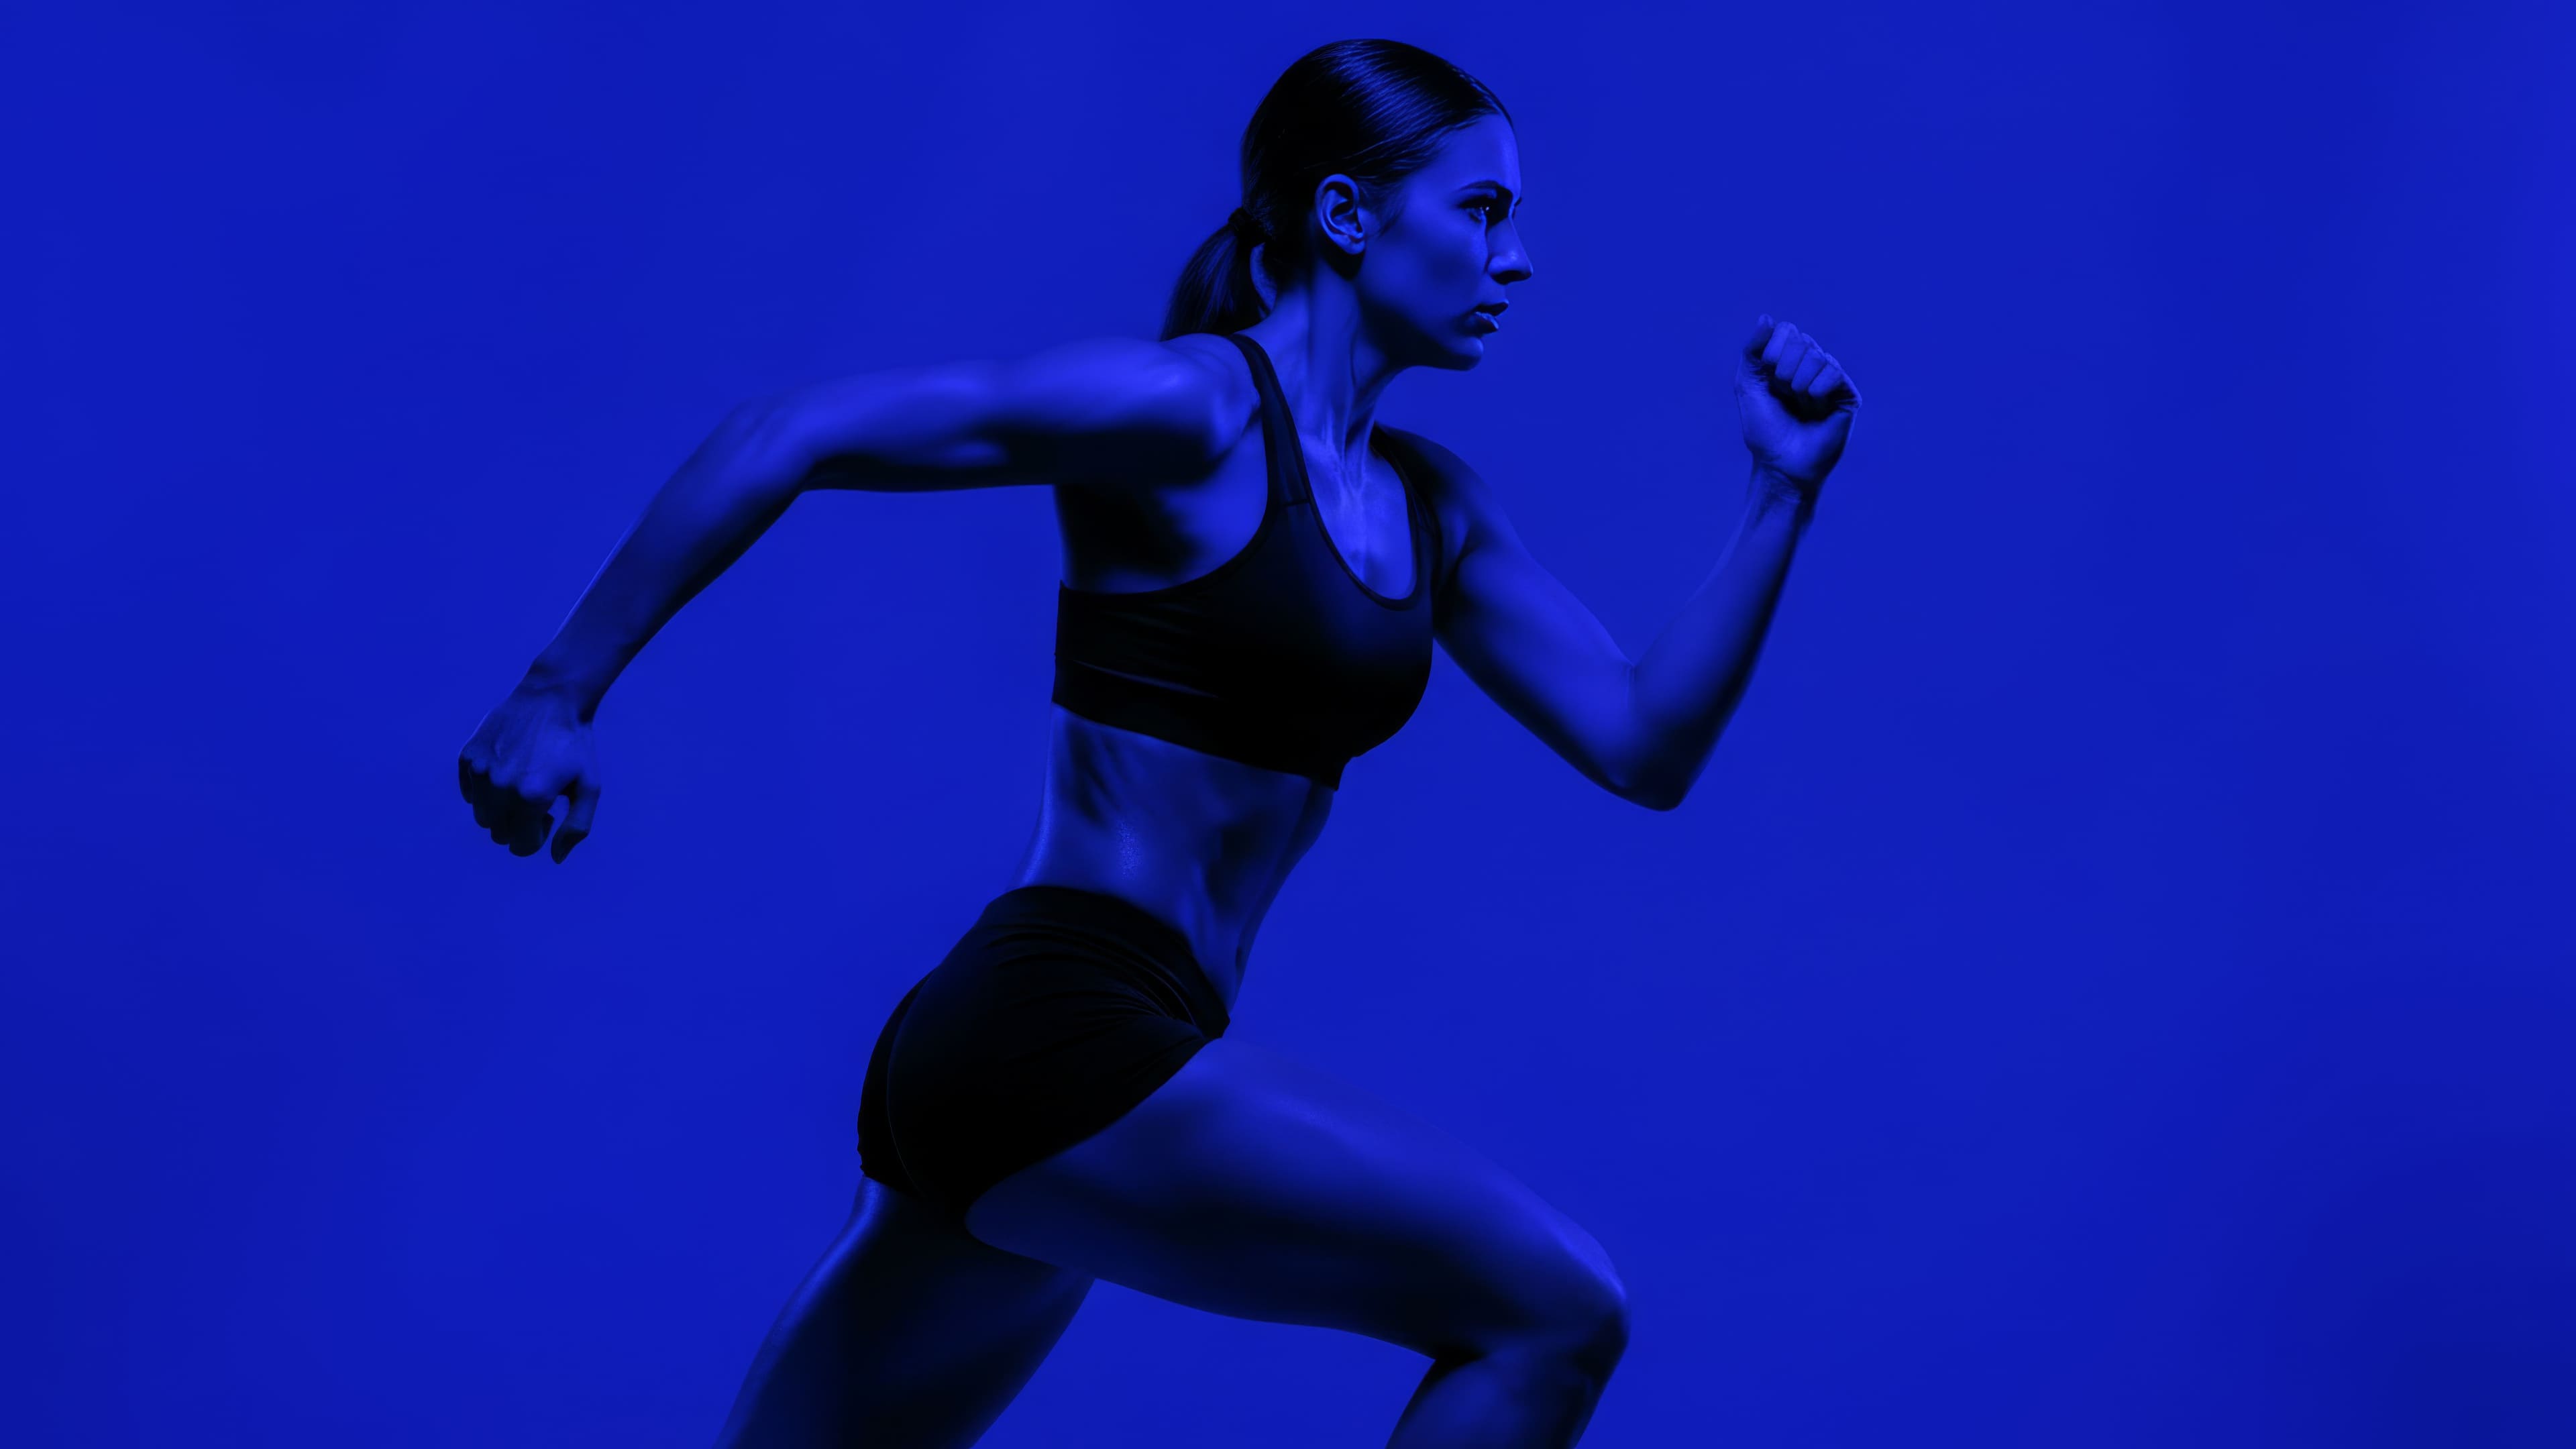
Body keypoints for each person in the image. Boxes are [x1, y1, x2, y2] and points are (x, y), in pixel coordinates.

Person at [457, 36, 1859, 1449]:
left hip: (1069, 1062)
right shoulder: (1191, 411)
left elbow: (1640, 745)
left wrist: (1778, 498)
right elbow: (789, 432)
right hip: (1060, 1035)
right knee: (1556, 1310)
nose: (1517, 259)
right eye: (1481, 212)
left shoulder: (1435, 508)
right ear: (1349, 216)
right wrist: (555, 690)